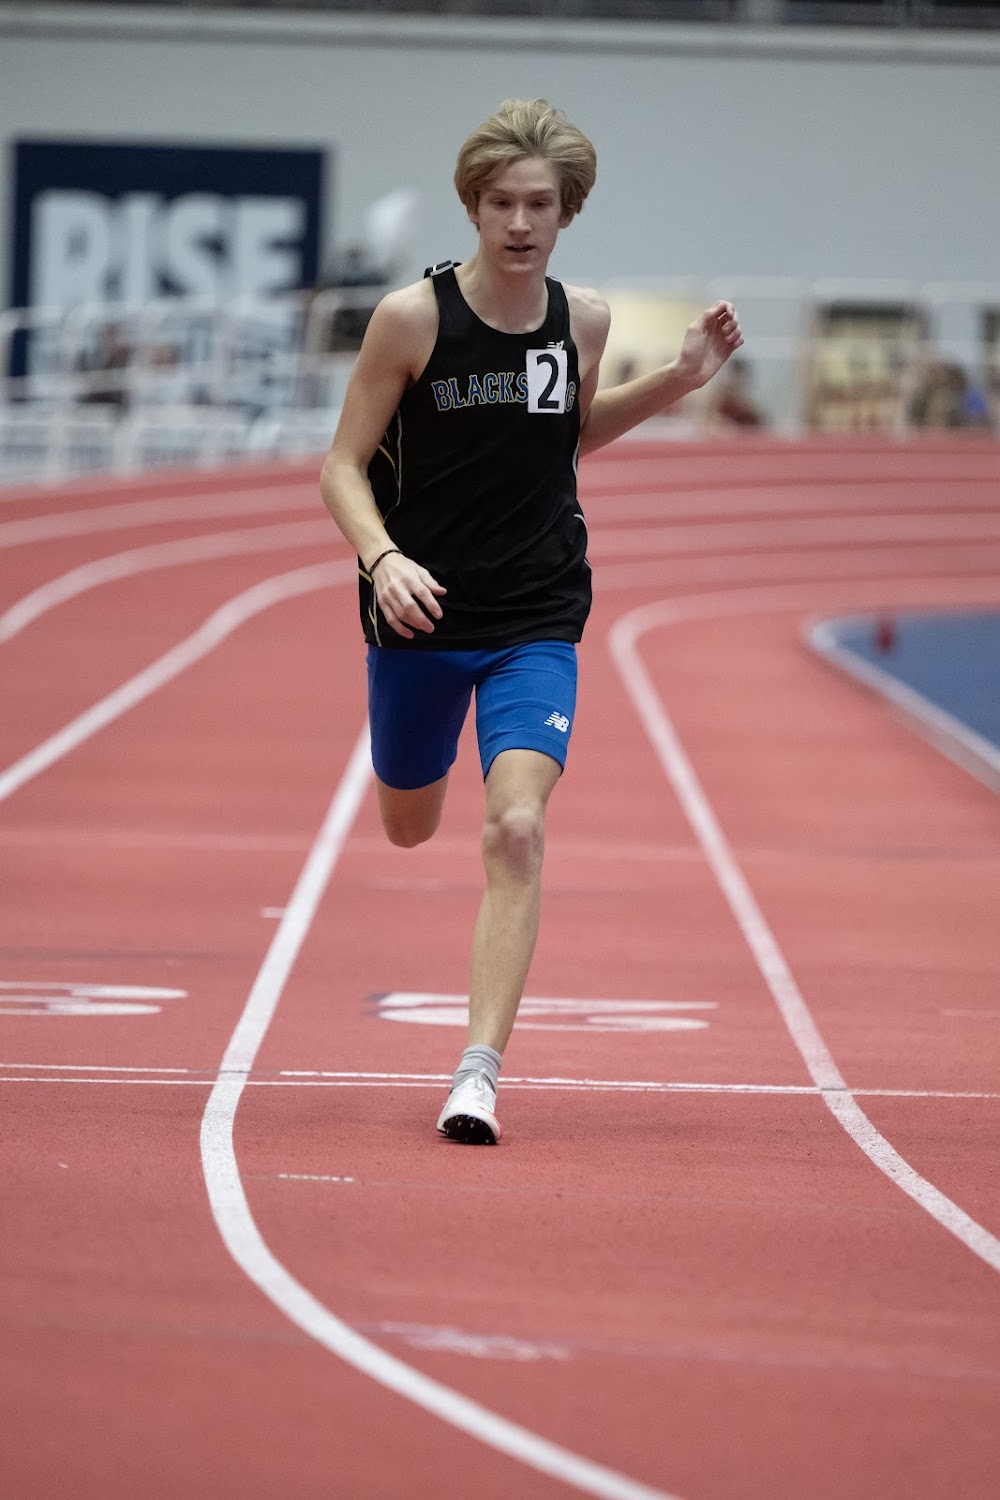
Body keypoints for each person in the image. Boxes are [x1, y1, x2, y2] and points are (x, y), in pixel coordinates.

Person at [320, 98, 742, 1145]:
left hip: (537, 613)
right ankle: (410, 759)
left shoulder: (582, 319)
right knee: (409, 824)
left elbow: (565, 436)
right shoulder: (411, 320)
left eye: (539, 205)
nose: (520, 222)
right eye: (502, 203)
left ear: (567, 213)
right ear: (473, 206)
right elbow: (340, 466)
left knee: (515, 827)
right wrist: (382, 558)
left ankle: (477, 1074)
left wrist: (679, 379)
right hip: (421, 610)